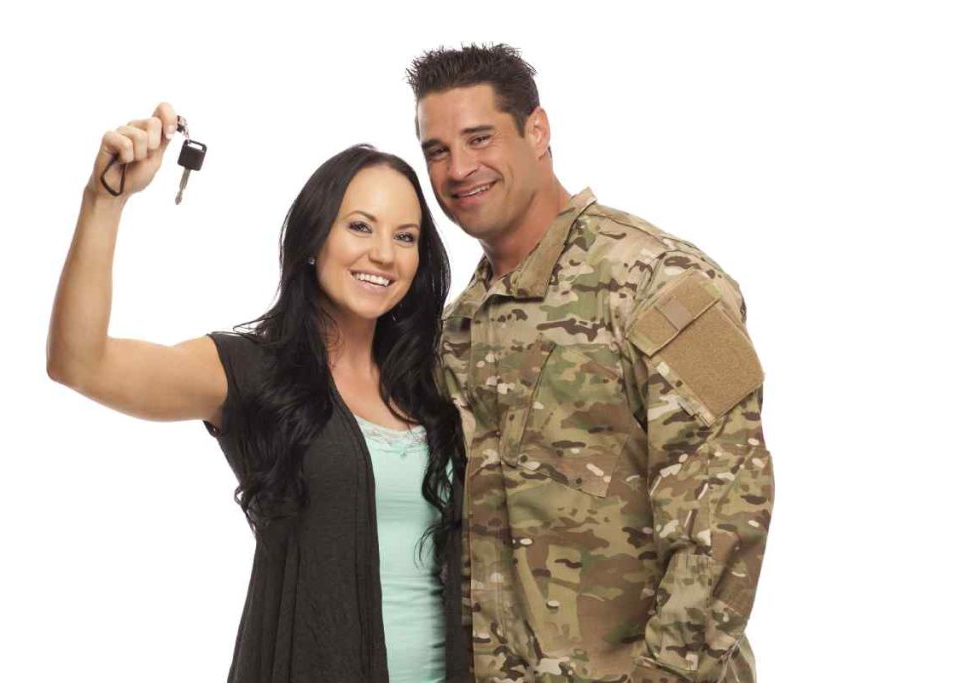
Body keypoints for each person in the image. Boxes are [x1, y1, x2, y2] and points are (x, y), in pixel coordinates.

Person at [46, 103, 466, 682]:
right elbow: (79, 362)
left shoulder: (435, 381)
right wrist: (104, 200)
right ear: (315, 238)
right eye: (360, 226)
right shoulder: (253, 370)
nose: (384, 255)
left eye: (406, 236)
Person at [406, 45, 774, 682]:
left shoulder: (669, 283)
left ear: (538, 131)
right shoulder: (461, 324)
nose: (459, 168)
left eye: (480, 138)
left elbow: (729, 513)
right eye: (437, 150)